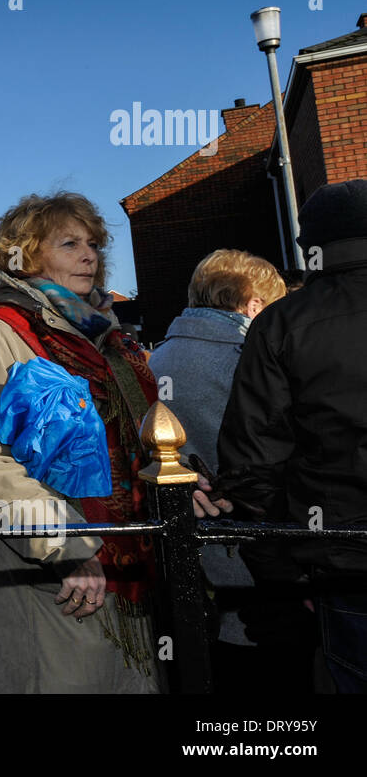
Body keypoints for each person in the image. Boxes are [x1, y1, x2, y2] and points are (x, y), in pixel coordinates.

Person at [0, 191, 161, 693]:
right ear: (25, 256)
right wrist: (68, 544)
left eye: (92, 244)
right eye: (69, 244)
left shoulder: (107, 338)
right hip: (47, 571)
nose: (89, 255)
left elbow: (144, 435)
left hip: (128, 566)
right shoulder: (0, 335)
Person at [218, 179, 367, 693]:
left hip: (345, 562)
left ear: (312, 249)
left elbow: (252, 463)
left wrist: (283, 570)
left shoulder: (282, 323)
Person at [149, 250, 293, 692]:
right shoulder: (251, 357)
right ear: (253, 306)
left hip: (183, 546)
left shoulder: (153, 360)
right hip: (257, 546)